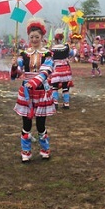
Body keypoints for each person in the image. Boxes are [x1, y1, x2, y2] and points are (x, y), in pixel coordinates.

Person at [11, 18, 56, 162]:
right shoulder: (24, 54)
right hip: (26, 92)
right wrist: (13, 66)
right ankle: (26, 151)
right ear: (28, 38)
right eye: (32, 37)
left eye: (37, 37)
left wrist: (34, 82)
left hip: (41, 91)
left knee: (41, 124)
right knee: (26, 123)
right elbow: (17, 73)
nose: (34, 39)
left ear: (42, 37)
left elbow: (46, 70)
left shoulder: (48, 54)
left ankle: (44, 149)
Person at [49, 28, 74, 110]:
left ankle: (55, 102)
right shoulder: (66, 47)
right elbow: (72, 53)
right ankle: (66, 103)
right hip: (65, 68)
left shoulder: (52, 48)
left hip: (57, 68)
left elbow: (51, 58)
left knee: (55, 86)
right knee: (65, 86)